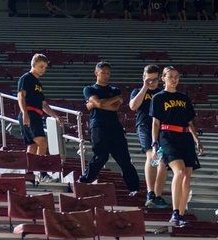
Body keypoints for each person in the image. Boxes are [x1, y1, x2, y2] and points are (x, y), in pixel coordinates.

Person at [150, 66, 204, 227]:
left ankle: (180, 214)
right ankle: (174, 212)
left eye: (176, 76)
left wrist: (197, 140)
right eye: (171, 76)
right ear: (163, 78)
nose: (174, 79)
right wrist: (154, 143)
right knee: (179, 172)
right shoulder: (158, 98)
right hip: (168, 136)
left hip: (185, 137)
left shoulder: (184, 97)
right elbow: (155, 122)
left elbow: (190, 122)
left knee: (187, 178)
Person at [79, 62, 141, 195]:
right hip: (98, 126)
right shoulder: (89, 89)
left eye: (108, 73)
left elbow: (113, 107)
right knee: (101, 156)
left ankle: (134, 188)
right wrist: (108, 101)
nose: (106, 76)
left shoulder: (115, 90)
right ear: (96, 73)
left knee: (124, 159)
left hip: (114, 126)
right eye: (103, 73)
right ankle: (85, 180)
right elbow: (100, 103)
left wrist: (95, 104)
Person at [129, 64, 168, 208]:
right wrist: (145, 87)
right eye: (148, 79)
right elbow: (133, 106)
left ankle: (156, 195)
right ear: (144, 78)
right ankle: (150, 192)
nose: (151, 83)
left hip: (161, 129)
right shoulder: (137, 91)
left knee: (162, 160)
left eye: (154, 80)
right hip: (145, 126)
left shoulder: (162, 94)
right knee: (152, 155)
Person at [16, 54, 61, 155]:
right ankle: (41, 170)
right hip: (29, 112)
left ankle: (30, 170)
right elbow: (21, 96)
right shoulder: (26, 78)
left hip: (37, 114)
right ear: (33, 64)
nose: (43, 69)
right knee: (42, 142)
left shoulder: (38, 84)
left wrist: (56, 116)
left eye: (45, 67)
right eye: (41, 66)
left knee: (33, 144)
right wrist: (25, 113)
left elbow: (43, 104)